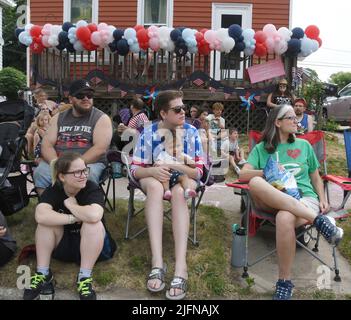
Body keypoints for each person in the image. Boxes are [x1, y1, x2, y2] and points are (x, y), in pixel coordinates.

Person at [239, 104, 344, 300]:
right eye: (291, 117)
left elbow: (315, 177)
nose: (297, 120)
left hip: (304, 198)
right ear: (277, 122)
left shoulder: (304, 146)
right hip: (272, 199)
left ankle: (284, 282)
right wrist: (268, 172)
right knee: (254, 181)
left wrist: (322, 198)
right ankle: (319, 222)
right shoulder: (262, 148)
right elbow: (243, 174)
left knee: (285, 217)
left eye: (296, 117)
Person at [131, 90, 204, 300]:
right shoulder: (148, 132)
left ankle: (181, 266)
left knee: (180, 192)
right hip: (152, 176)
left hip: (181, 177)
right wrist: (153, 171)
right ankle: (157, 262)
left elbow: (198, 171)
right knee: (154, 187)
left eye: (184, 107)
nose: (184, 112)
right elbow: (136, 170)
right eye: (177, 109)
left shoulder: (191, 132)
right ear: (163, 113)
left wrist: (175, 165)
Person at [23, 152, 116, 300]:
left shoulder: (91, 188)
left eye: (85, 170)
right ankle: (43, 274)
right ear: (62, 176)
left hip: (94, 247)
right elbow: (40, 215)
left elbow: (94, 215)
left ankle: (84, 278)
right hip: (64, 246)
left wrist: (72, 206)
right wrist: (73, 218)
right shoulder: (54, 190)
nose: (84, 175)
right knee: (45, 224)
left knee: (93, 224)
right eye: (77, 172)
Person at [33, 79, 112, 196]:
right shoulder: (58, 118)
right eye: (80, 95)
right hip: (59, 162)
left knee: (88, 175)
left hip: (88, 163)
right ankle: (50, 208)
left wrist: (74, 166)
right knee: (41, 172)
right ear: (70, 99)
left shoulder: (101, 118)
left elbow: (100, 149)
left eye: (89, 95)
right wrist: (56, 163)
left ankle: (82, 210)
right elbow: (46, 144)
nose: (86, 98)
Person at [155, 130, 197, 200]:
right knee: (164, 176)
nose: (175, 149)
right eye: (171, 147)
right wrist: (159, 163)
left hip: (178, 176)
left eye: (178, 146)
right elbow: (158, 163)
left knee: (184, 177)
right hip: (167, 175)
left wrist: (186, 159)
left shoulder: (183, 155)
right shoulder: (163, 154)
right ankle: (167, 191)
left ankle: (187, 190)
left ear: (182, 146)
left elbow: (194, 165)